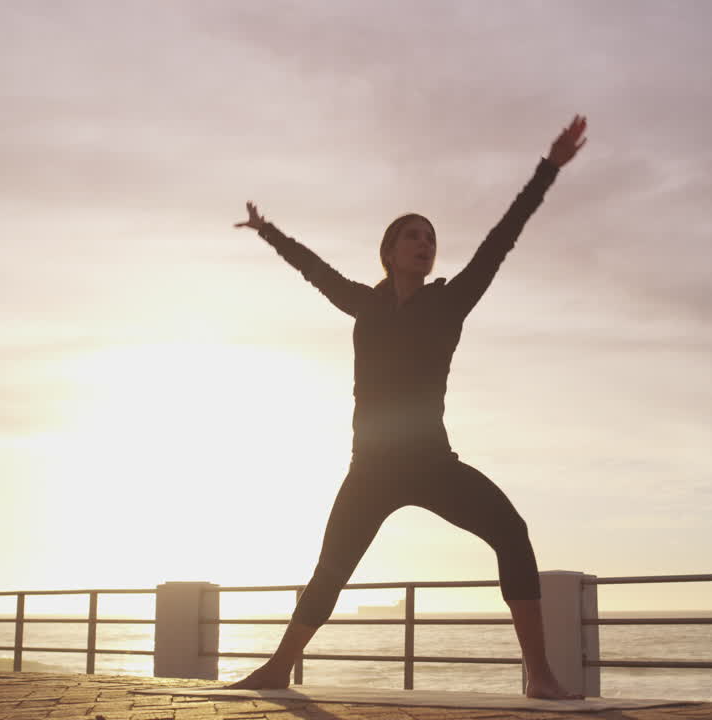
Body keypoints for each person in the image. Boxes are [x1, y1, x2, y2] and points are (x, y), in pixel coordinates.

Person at [227, 115, 588, 699]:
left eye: (431, 239)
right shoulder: (364, 306)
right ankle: (277, 668)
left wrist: (547, 168)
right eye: (414, 236)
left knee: (511, 532)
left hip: (432, 463)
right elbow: (313, 270)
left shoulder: (450, 302)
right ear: (390, 251)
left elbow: (504, 235)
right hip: (369, 468)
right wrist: (268, 232)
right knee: (330, 570)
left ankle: (540, 675)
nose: (426, 244)